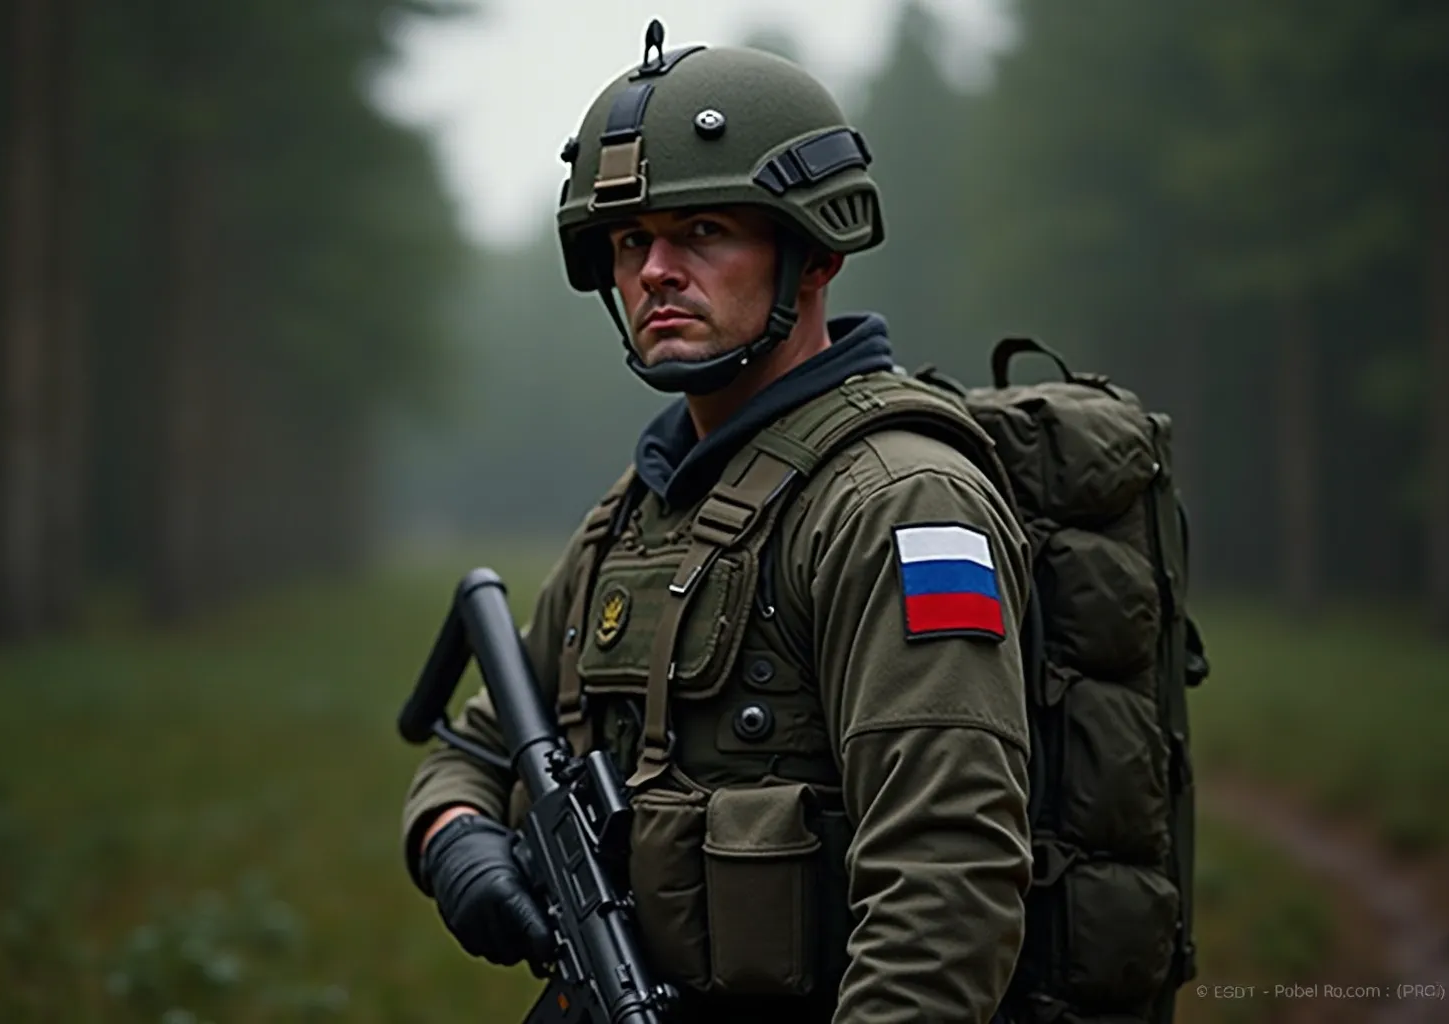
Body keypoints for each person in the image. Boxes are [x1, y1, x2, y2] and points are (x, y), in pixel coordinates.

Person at [401, 22, 1034, 1024]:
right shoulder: (640, 511)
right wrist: (454, 837)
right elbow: (476, 745)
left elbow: (946, 888)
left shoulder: (902, 503)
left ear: (814, 252)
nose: (655, 270)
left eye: (702, 231)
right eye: (629, 242)